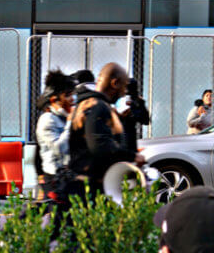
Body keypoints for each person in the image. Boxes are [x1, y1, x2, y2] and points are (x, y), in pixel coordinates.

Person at [67, 62, 144, 199]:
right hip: (89, 185)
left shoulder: (86, 104)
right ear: (114, 83)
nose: (123, 94)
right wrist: (132, 156)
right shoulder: (99, 106)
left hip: (81, 182)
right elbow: (100, 145)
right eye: (123, 87)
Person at [35, 69, 75, 200]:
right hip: (54, 178)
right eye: (68, 95)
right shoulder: (48, 119)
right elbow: (59, 149)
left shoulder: (64, 117)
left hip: (68, 176)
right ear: (54, 99)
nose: (72, 99)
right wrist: (70, 124)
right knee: (58, 215)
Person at [119, 77, 150, 157]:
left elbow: (146, 120)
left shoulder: (137, 102)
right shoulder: (116, 100)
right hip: (118, 137)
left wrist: (136, 107)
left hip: (129, 137)